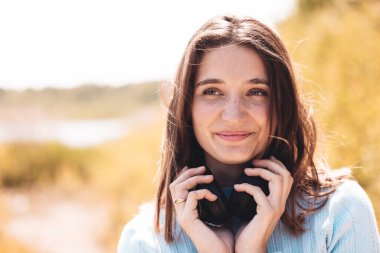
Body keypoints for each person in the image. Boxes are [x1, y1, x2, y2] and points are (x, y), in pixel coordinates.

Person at [118, 14, 380, 253]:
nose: (233, 115)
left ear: (281, 103)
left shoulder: (341, 212)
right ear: (186, 108)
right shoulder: (143, 240)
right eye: (212, 91)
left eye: (256, 92)